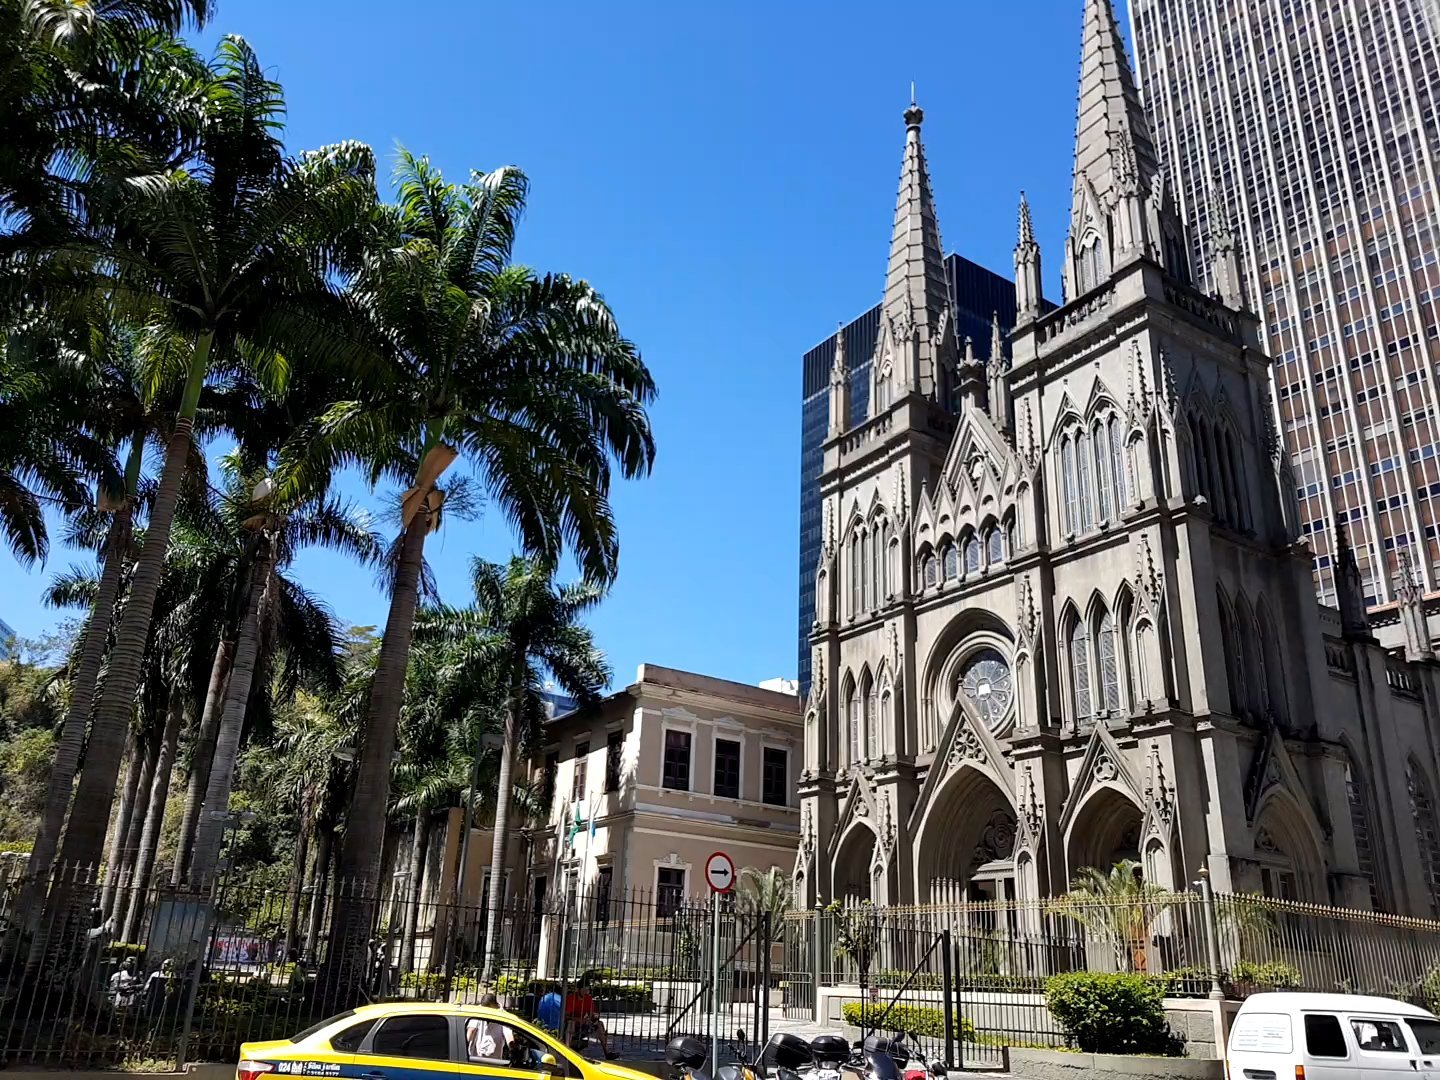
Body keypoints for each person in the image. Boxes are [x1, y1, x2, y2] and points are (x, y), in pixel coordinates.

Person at [564, 971, 617, 1060]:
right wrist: (578, 1020)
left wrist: (594, 1018)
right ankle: (567, 1052)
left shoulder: (588, 999)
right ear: (579, 989)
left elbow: (592, 1014)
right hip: (572, 1024)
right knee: (571, 1024)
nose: (587, 992)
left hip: (584, 1024)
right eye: (585, 989)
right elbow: (566, 1016)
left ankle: (607, 1052)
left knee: (600, 1024)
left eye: (588, 990)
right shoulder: (571, 999)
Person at [467, 993, 513, 1062]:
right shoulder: (479, 1010)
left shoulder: (503, 1015)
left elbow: (508, 1035)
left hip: (493, 1059)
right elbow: (471, 1030)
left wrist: (512, 1048)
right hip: (475, 1057)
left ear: (493, 1005)